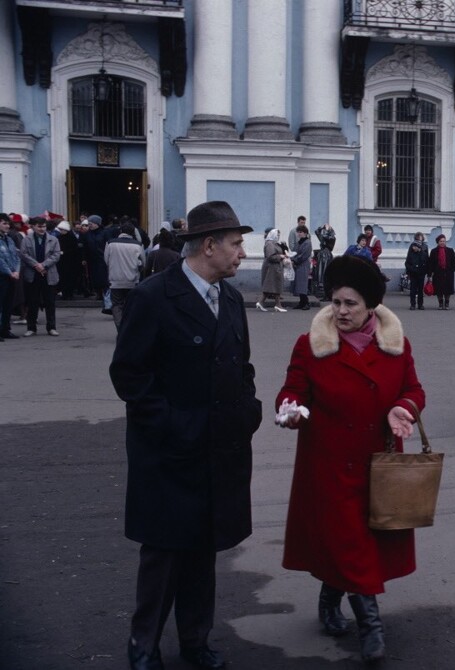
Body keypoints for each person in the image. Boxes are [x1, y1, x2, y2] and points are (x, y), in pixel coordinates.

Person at [109, 201, 262, 670]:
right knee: (164, 554)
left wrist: (248, 411)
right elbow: (129, 375)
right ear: (209, 245)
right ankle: (144, 645)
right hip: (169, 454)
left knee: (202, 552)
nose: (242, 253)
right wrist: (172, 426)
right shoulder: (154, 296)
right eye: (236, 244)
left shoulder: (229, 298)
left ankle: (196, 640)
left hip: (220, 448)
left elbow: (242, 366)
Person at [276, 255, 425, 663]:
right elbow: (293, 390)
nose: (340, 311)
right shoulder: (310, 344)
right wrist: (289, 409)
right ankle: (371, 628)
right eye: (336, 302)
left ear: (370, 306)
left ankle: (329, 599)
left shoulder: (396, 344)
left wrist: (404, 408)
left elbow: (414, 390)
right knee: (351, 543)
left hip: (379, 463)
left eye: (350, 304)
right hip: (329, 464)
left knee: (355, 543)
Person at [19, 216, 61, 336]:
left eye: (44, 226)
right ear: (33, 227)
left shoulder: (53, 239)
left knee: (50, 302)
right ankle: (31, 328)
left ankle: (51, 327)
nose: (42, 229)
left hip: (48, 273)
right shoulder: (26, 239)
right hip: (32, 274)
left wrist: (43, 265)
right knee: (32, 302)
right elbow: (23, 254)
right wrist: (36, 265)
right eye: (39, 226)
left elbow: (56, 255)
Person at [104, 221, 145, 330]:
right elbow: (143, 263)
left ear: (121, 231)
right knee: (131, 305)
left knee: (117, 305)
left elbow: (106, 260)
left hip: (115, 280)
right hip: (132, 280)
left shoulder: (110, 243)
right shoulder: (138, 245)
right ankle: (129, 327)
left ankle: (120, 327)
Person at [257, 228, 289, 313]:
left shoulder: (274, 243)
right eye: (277, 235)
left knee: (272, 286)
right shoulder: (270, 244)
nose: (278, 236)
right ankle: (278, 305)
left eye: (279, 235)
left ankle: (262, 302)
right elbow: (271, 256)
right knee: (274, 285)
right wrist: (280, 256)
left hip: (275, 267)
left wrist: (284, 248)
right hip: (272, 268)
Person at [0, 214, 20, 341]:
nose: (7, 226)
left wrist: (16, 271)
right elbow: (0, 260)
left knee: (8, 304)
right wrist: (9, 272)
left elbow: (16, 256)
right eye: (4, 223)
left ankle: (5, 329)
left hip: (11, 276)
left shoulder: (9, 239)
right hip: (2, 276)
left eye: (8, 224)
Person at [429, 233, 455, 309]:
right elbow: (431, 263)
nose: (442, 242)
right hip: (438, 273)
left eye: (444, 241)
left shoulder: (450, 250)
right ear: (438, 242)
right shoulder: (434, 251)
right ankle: (440, 304)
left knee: (448, 289)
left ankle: (447, 303)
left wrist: (453, 269)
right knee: (439, 289)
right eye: (441, 241)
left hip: (448, 272)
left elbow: (454, 261)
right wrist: (430, 273)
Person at [404, 232, 429, 310]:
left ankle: (420, 304)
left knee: (420, 289)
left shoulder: (425, 246)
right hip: (413, 271)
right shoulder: (412, 246)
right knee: (413, 289)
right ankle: (413, 304)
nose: (419, 239)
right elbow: (408, 259)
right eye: (418, 238)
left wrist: (420, 250)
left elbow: (426, 258)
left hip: (421, 270)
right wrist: (409, 269)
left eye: (420, 237)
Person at [291, 225, 313, 310]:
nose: (299, 234)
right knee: (299, 284)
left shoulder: (307, 242)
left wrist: (295, 260)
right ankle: (301, 302)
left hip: (303, 264)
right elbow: (294, 252)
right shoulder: (299, 242)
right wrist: (292, 258)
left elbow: (304, 255)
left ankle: (306, 302)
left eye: (301, 232)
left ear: (305, 233)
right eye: (298, 232)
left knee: (303, 284)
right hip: (298, 265)